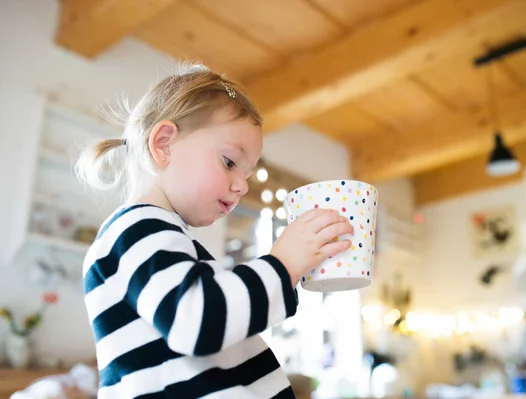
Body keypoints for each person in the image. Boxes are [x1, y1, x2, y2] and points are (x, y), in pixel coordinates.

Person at [75, 64, 353, 399]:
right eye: (230, 162)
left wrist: (290, 274)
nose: (241, 187)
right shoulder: (136, 231)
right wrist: (283, 264)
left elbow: (220, 325)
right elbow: (199, 322)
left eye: (248, 173)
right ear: (164, 144)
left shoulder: (162, 239)